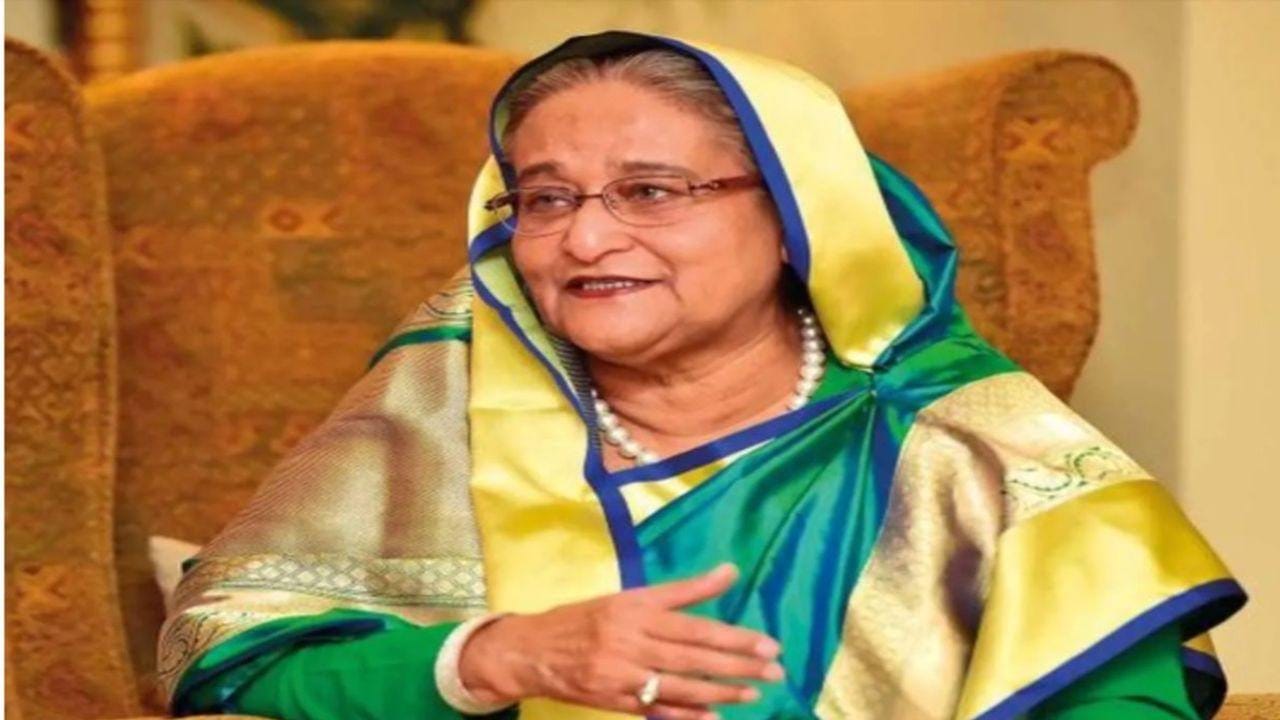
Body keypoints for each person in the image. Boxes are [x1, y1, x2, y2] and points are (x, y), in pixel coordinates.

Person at [159, 30, 1246, 720]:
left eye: (650, 191)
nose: (585, 239)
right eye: (545, 198)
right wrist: (492, 658)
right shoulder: (442, 411)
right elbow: (232, 660)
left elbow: (1123, 699)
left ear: (797, 216)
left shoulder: (963, 440)